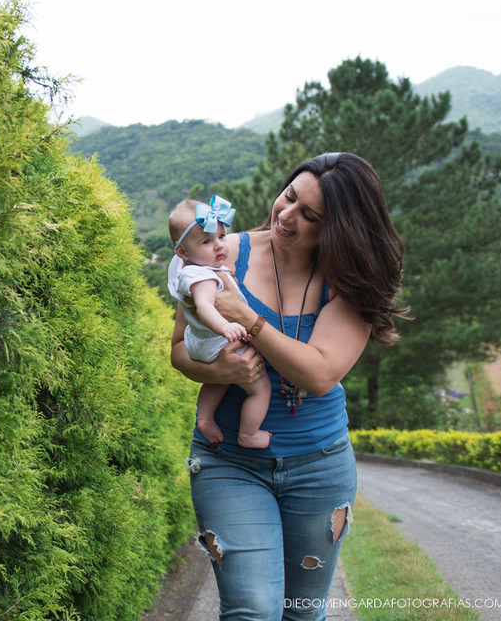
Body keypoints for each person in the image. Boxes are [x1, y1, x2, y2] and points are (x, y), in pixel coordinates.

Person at [170, 152, 406, 621]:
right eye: (289, 197)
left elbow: (320, 374)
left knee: (302, 612)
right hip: (230, 462)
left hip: (320, 468)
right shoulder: (221, 253)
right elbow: (180, 349)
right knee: (253, 610)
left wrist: (250, 321)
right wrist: (226, 373)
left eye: (309, 214)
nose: (286, 215)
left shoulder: (349, 281)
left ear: (339, 229)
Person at [167, 195, 272, 449]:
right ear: (182, 252)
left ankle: (204, 418)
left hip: (199, 340)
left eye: (221, 237)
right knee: (261, 389)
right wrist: (225, 327)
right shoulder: (203, 277)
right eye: (206, 241)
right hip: (216, 339)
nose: (219, 246)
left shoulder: (199, 269)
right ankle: (249, 434)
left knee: (218, 379)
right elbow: (204, 306)